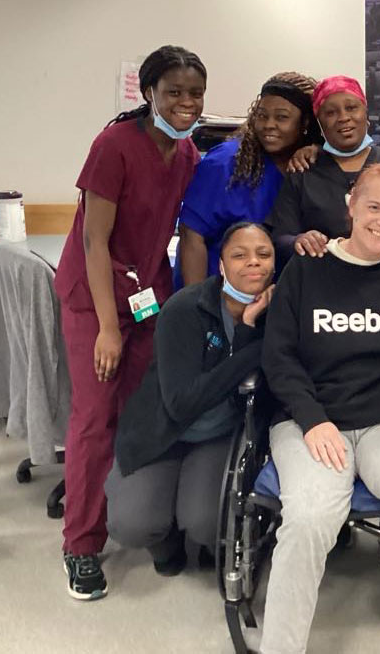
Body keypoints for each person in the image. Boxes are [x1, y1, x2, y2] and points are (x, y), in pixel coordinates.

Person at [260, 164, 380, 654]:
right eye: (374, 207)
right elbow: (277, 357)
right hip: (313, 420)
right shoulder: (306, 269)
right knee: (308, 520)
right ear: (350, 205)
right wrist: (312, 419)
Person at [53, 45, 206, 600]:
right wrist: (107, 329)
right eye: (174, 93)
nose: (186, 103)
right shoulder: (113, 146)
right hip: (93, 300)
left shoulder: (187, 154)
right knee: (95, 418)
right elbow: (95, 241)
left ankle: (145, 521)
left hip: (148, 297)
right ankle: (82, 543)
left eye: (195, 94)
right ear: (149, 94)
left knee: (146, 409)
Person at [105, 223, 274, 577]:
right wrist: (251, 342)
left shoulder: (276, 314)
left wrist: (251, 328)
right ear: (222, 266)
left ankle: (209, 542)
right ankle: (165, 546)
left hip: (218, 436)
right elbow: (181, 403)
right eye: (239, 255)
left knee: (204, 521)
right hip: (161, 430)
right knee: (131, 524)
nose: (253, 263)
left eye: (263, 254)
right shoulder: (185, 309)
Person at [177, 72, 318, 288]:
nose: (269, 124)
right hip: (221, 298)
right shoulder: (226, 163)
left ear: (305, 122)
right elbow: (192, 236)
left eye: (281, 117)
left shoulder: (312, 167)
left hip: (281, 301)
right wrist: (197, 306)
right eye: (262, 115)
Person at [265, 74, 380, 266]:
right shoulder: (303, 170)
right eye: (330, 113)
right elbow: (280, 238)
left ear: (365, 111)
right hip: (324, 285)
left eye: (351, 108)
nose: (343, 118)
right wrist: (298, 241)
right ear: (319, 122)